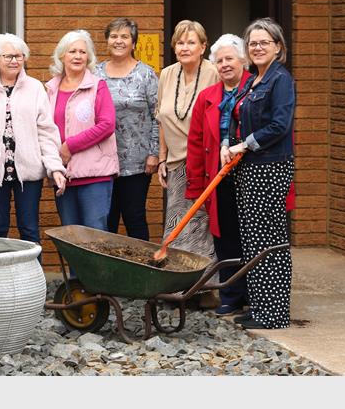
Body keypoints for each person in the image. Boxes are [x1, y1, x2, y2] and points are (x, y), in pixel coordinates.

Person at [225, 17, 296, 330]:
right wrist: (231, 143)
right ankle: (259, 307)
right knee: (253, 241)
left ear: (278, 47)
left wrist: (244, 145)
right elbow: (239, 117)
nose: (257, 47)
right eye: (252, 43)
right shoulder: (253, 79)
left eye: (264, 42)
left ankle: (274, 314)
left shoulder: (281, 79)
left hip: (269, 167)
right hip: (250, 169)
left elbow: (280, 125)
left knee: (269, 242)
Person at [0, 33, 67, 256]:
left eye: (19, 56)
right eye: (8, 56)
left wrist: (55, 167)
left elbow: (46, 132)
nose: (14, 61)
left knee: (29, 231)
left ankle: (33, 285)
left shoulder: (36, 88)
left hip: (28, 173)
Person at [185, 34, 252, 316]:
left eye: (230, 59)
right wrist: (196, 185)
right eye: (220, 60)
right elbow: (197, 143)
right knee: (226, 238)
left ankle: (257, 295)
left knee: (254, 236)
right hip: (220, 178)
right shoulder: (207, 97)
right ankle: (231, 294)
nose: (225, 65)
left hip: (253, 175)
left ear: (242, 61)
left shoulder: (257, 87)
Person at [156, 20, 220, 306]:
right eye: (180, 43)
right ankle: (178, 285)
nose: (185, 47)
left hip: (205, 162)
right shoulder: (167, 75)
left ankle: (205, 289)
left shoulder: (214, 73)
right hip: (175, 164)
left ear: (203, 47)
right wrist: (161, 158)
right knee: (178, 225)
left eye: (191, 42)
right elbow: (161, 120)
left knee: (203, 225)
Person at [46, 30, 119, 231]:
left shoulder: (98, 86)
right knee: (71, 237)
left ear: (89, 57)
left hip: (94, 176)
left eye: (82, 52)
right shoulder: (50, 89)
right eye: (72, 51)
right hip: (63, 176)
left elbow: (107, 124)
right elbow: (44, 129)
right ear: (62, 55)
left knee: (95, 237)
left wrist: (70, 146)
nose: (78, 56)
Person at [94, 18, 159, 241]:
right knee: (106, 220)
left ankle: (142, 273)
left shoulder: (147, 74)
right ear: (107, 41)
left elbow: (157, 115)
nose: (118, 41)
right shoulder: (95, 74)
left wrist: (154, 153)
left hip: (137, 162)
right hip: (102, 161)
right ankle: (109, 273)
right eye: (113, 36)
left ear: (133, 43)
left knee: (135, 218)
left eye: (124, 37)